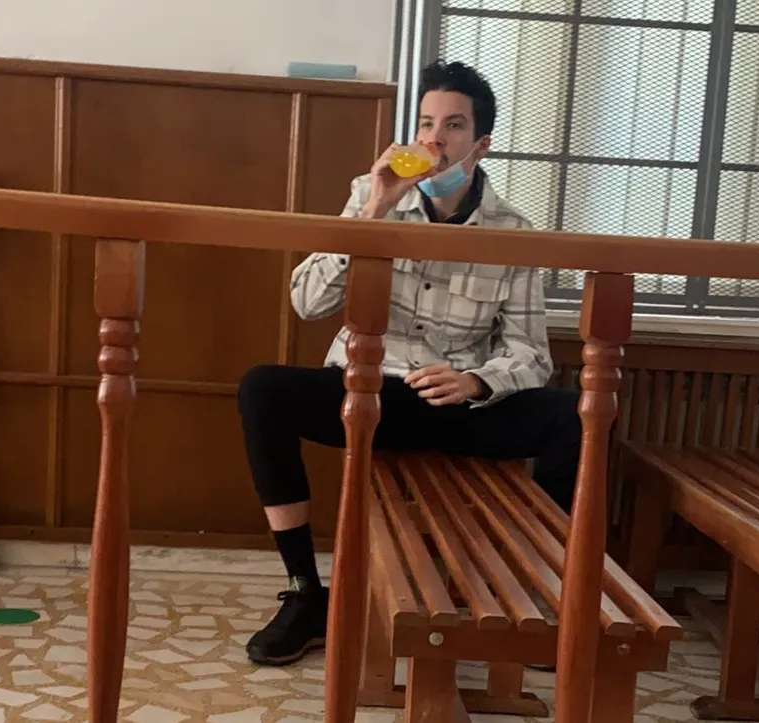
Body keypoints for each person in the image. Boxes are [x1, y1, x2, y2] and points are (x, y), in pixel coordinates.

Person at [238, 60, 582, 667]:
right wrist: (376, 210)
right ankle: (304, 591)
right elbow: (307, 301)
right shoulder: (369, 196)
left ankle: (530, 587)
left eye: (453, 126)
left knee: (574, 415)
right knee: (262, 388)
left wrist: (476, 380)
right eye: (426, 123)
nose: (434, 139)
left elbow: (531, 354)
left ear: (481, 144)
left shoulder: (513, 232)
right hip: (369, 395)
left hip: (455, 406)